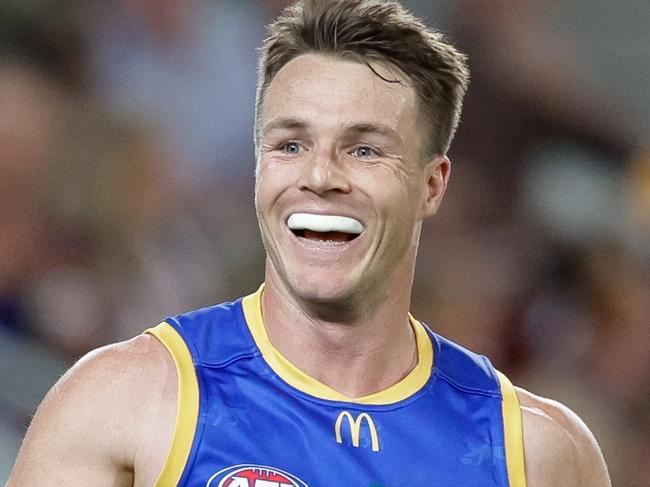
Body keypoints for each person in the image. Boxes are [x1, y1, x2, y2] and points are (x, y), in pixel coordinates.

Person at [6, 1, 611, 486]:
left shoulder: (535, 452)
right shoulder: (122, 400)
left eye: (364, 149)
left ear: (432, 185)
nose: (320, 177)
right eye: (290, 145)